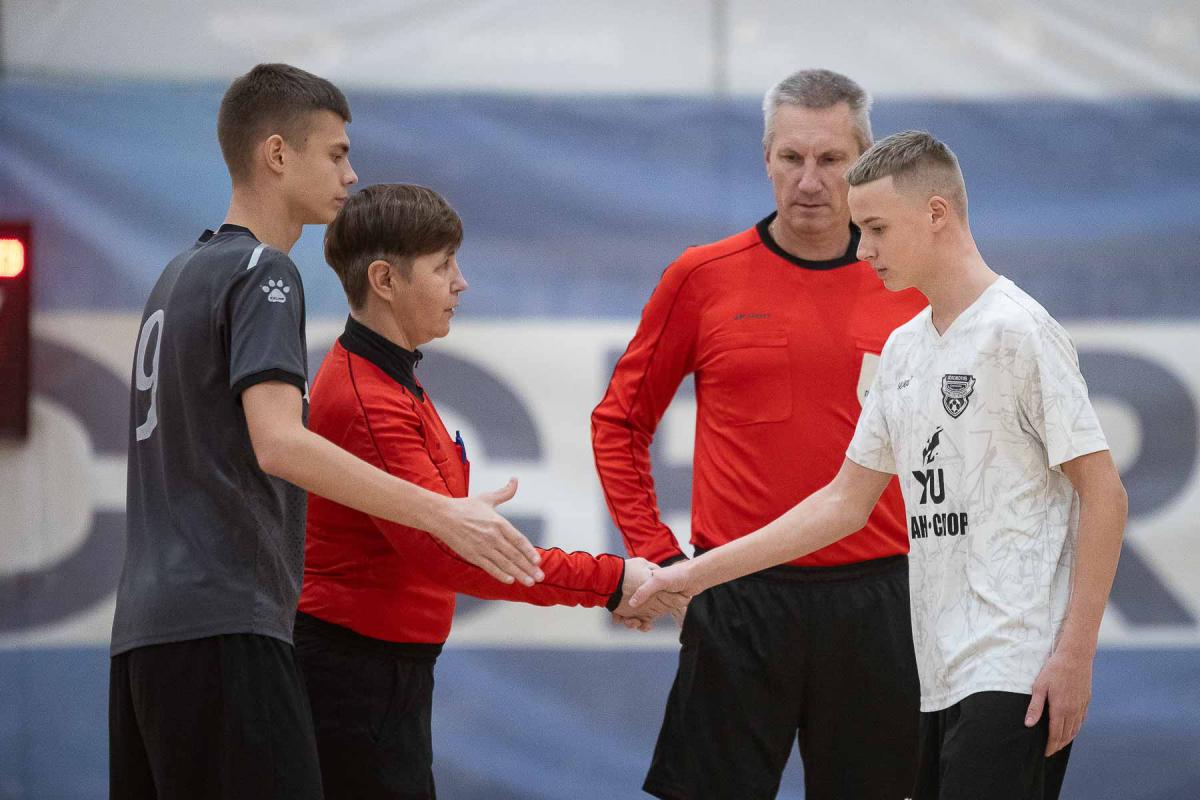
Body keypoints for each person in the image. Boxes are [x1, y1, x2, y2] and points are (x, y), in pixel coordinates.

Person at [630, 130, 1128, 800]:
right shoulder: (904, 349)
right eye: (860, 229)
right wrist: (694, 574)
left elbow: (1104, 494)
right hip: (937, 670)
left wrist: (1074, 654)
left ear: (936, 213)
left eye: (876, 228)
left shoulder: (1020, 330)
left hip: (1017, 667)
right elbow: (843, 503)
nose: (862, 249)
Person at [109, 64, 544, 800]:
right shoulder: (265, 272)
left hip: (142, 638)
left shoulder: (177, 275)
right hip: (228, 625)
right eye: (337, 153)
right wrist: (441, 511)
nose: (351, 174)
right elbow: (279, 442)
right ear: (277, 154)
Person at [591, 69, 926, 798]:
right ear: (765, 159)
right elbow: (619, 421)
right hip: (734, 597)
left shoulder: (914, 284)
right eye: (791, 157)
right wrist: (657, 554)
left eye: (831, 159)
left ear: (864, 164)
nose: (809, 180)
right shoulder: (701, 277)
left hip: (881, 603)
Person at [294, 183, 680, 799]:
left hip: (373, 672)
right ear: (385, 280)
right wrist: (612, 582)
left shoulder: (386, 379)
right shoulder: (369, 400)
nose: (461, 282)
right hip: (353, 679)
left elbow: (433, 534)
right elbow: (453, 555)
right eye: (443, 265)